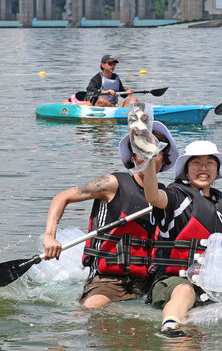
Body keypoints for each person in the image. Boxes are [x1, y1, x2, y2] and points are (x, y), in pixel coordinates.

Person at [41, 122, 179, 309]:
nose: (148, 157)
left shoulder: (165, 196)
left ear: (163, 159)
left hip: (149, 280)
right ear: (133, 157)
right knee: (92, 310)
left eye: (155, 152)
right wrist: (50, 236)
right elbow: (62, 197)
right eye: (142, 151)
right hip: (109, 281)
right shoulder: (112, 183)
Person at [143, 140, 222, 338]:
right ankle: (170, 328)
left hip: (212, 283)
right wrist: (151, 160)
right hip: (174, 280)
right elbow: (152, 196)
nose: (203, 168)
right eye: (197, 163)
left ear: (217, 168)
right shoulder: (176, 195)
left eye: (210, 163)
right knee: (185, 290)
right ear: (186, 169)